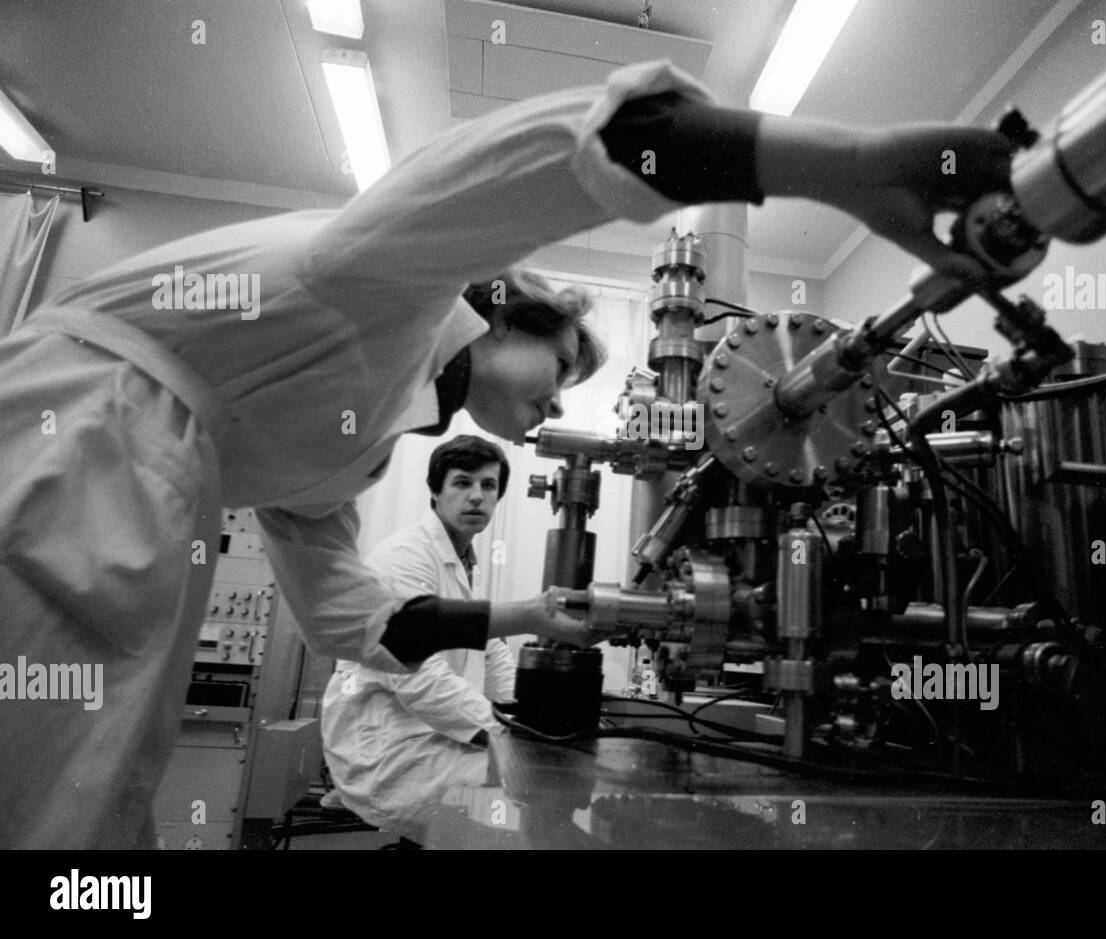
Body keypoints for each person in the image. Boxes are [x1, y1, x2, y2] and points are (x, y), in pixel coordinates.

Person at [0, 60, 1013, 848]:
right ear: (500, 311)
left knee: (81, 802)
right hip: (75, 439)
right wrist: (839, 163)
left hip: (141, 487)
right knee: (51, 802)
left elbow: (352, 621)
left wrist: (526, 614)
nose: (551, 408)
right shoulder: (384, 286)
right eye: (562, 368)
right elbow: (561, 153)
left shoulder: (347, 459)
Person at [321, 435, 517, 843]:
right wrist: (503, 733)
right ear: (435, 490)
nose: (477, 497)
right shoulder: (406, 557)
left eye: (488, 485)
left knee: (529, 779)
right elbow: (417, 677)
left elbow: (489, 644)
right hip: (387, 747)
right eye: (463, 483)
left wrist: (522, 716)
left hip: (427, 733)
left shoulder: (464, 562)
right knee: (523, 800)